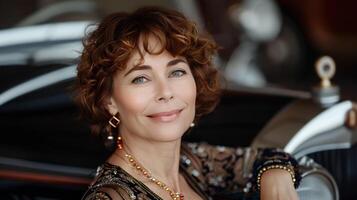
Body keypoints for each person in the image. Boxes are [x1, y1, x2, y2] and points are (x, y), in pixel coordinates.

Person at [75, 6, 301, 200]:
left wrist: (275, 173)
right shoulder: (110, 197)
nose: (166, 92)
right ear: (109, 101)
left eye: (176, 72)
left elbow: (268, 156)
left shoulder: (192, 161)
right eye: (140, 78)